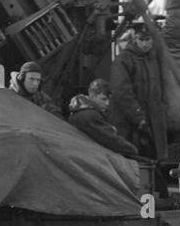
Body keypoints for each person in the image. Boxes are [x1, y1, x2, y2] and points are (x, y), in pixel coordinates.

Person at [109, 23, 167, 159]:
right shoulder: (124, 59)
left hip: (148, 120)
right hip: (129, 122)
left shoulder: (153, 60)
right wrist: (138, 117)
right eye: (141, 39)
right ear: (134, 38)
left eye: (148, 39)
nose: (145, 44)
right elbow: (121, 90)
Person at [67, 79, 140, 158]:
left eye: (109, 100)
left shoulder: (78, 112)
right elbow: (109, 139)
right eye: (103, 99)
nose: (107, 103)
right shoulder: (90, 116)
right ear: (92, 95)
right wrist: (132, 149)